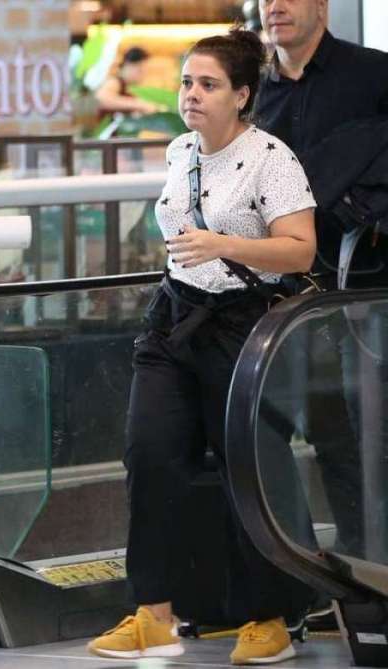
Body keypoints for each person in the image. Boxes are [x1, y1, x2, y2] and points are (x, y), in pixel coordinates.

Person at [87, 28, 318, 665]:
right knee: (150, 454)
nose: (191, 94)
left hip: (244, 327)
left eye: (208, 84)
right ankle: (154, 614)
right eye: (187, 81)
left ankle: (270, 615)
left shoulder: (271, 159)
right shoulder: (180, 150)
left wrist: (224, 245)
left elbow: (301, 250)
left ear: (242, 95)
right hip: (174, 318)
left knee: (249, 466)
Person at [255, 0, 388, 558]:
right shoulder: (250, 90)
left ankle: (365, 570)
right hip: (277, 296)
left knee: (363, 438)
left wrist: (361, 202)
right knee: (261, 431)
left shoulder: (373, 74)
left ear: (322, 6)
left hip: (362, 291)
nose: (275, 6)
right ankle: (304, 574)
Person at [95, 46, 162, 117]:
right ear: (128, 65)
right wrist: (140, 105)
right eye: (140, 70)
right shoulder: (115, 82)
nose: (143, 75)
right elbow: (102, 100)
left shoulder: (130, 86)